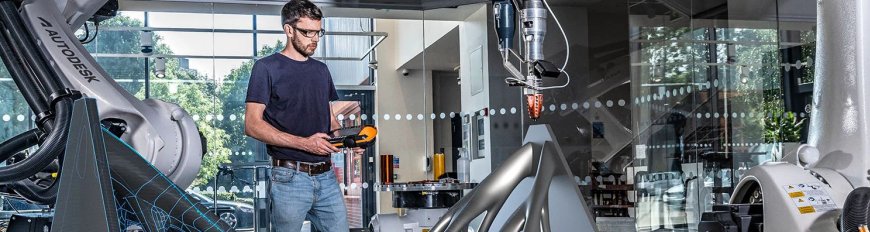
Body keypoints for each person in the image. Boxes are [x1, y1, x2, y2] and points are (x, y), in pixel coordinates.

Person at [244, 1, 357, 231]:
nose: (314, 39)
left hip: (326, 177)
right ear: (289, 30)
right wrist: (305, 144)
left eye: (318, 32)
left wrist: (351, 140)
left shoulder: (321, 71)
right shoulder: (266, 68)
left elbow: (330, 120)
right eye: (307, 32)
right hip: (288, 177)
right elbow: (252, 124)